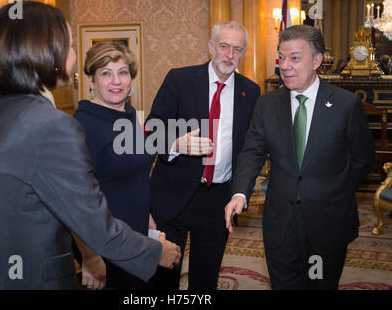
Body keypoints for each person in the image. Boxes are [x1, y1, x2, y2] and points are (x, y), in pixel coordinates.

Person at [0, 1, 180, 290]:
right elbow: (91, 221)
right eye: (70, 45)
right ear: (47, 52)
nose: (73, 54)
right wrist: (156, 252)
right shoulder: (52, 125)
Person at [225, 25, 375, 290]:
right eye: (281, 58)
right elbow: (252, 152)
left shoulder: (344, 104)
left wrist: (334, 190)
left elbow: (362, 158)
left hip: (327, 224)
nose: (285, 66)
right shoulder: (267, 104)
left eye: (295, 58)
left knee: (318, 284)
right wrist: (239, 193)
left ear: (316, 61)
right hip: (281, 224)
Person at [147, 21, 260, 290]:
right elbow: (151, 131)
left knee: (205, 279)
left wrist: (240, 192)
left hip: (217, 201)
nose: (230, 55)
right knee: (163, 276)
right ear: (210, 47)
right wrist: (176, 144)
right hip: (172, 195)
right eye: (224, 46)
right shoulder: (180, 79)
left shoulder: (251, 91)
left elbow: (249, 149)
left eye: (237, 49)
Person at [72, 42, 157, 289]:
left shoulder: (129, 115)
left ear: (131, 79)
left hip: (135, 234)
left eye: (122, 72)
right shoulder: (83, 126)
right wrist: (89, 255)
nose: (116, 81)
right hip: (104, 241)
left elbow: (134, 173)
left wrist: (146, 216)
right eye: (105, 73)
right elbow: (75, 200)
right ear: (91, 81)